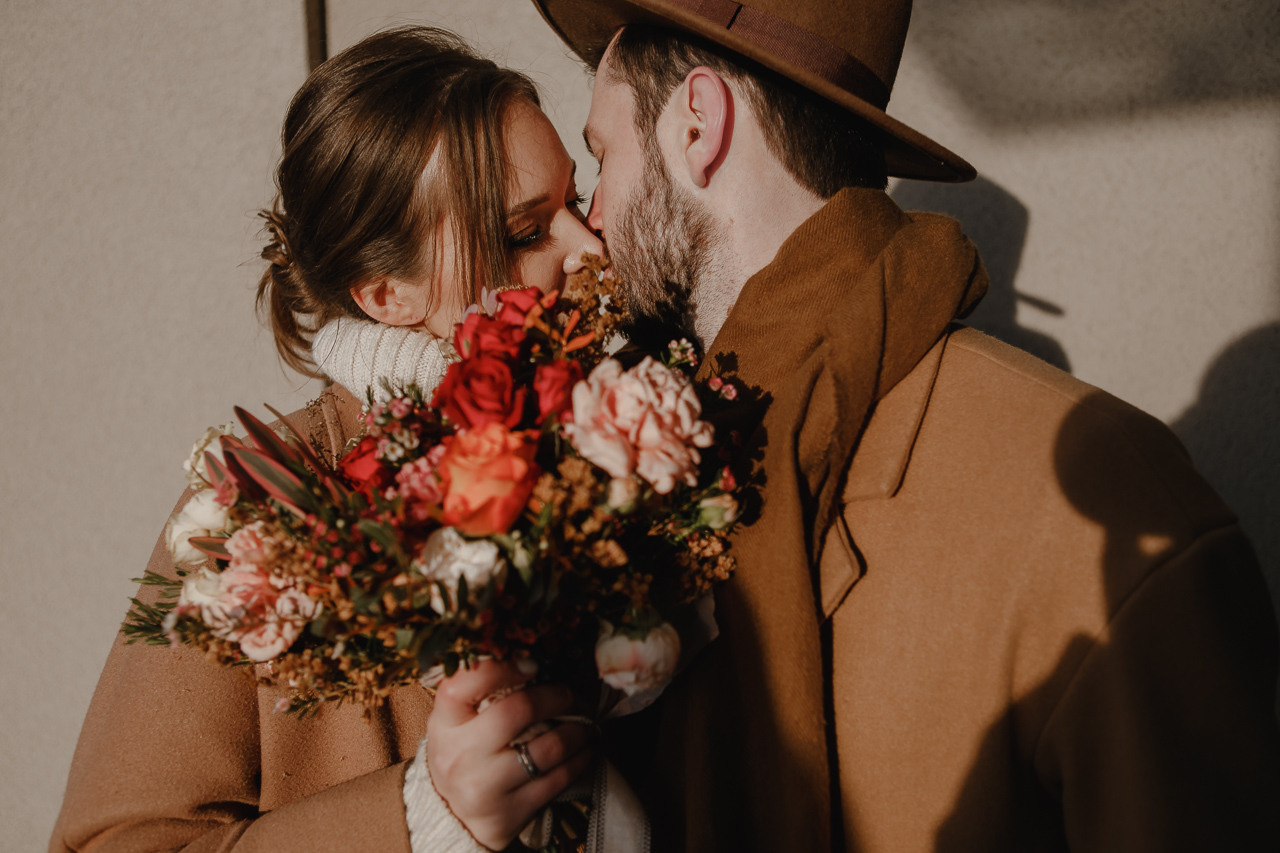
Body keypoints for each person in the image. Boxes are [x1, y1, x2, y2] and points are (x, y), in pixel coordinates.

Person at [528, 0, 1280, 850]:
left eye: (602, 154)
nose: (591, 215)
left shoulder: (1107, 506)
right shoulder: (653, 488)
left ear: (698, 126)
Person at [51, 27, 607, 853]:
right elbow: (116, 842)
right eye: (527, 232)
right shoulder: (258, 508)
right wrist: (421, 822)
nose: (589, 248)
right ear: (386, 292)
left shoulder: (624, 448)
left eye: (579, 200)